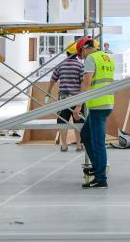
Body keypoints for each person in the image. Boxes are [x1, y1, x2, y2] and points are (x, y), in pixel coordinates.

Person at [74, 37, 114, 188]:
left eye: (80, 54)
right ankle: (98, 167)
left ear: (84, 49)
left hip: (98, 105)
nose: (82, 58)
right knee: (85, 135)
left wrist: (78, 106)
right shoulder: (108, 57)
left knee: (98, 143)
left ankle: (101, 178)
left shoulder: (91, 58)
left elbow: (87, 84)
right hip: (107, 103)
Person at [47, 42, 84, 152]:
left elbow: (53, 79)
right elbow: (83, 84)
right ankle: (78, 145)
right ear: (77, 54)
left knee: (63, 122)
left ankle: (64, 145)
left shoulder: (60, 65)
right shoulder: (81, 66)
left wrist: (48, 92)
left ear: (67, 53)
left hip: (63, 99)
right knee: (79, 122)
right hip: (77, 98)